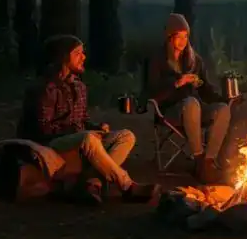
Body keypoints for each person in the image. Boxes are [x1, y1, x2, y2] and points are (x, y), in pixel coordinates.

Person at [18, 34, 159, 205]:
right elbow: (44, 128)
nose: (83, 57)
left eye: (82, 53)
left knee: (126, 136)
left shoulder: (79, 86)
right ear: (63, 58)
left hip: (78, 138)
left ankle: (92, 183)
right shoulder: (45, 88)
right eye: (77, 53)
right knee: (89, 138)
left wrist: (96, 126)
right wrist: (82, 132)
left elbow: (82, 119)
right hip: (49, 144)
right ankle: (126, 185)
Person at [146, 13, 232, 184]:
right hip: (171, 111)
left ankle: (208, 162)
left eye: (186, 36)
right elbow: (152, 91)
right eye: (179, 37)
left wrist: (226, 99)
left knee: (222, 110)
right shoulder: (157, 60)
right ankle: (199, 159)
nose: (183, 41)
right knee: (191, 103)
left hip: (196, 109)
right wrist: (177, 83)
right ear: (170, 37)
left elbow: (206, 89)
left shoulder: (194, 60)